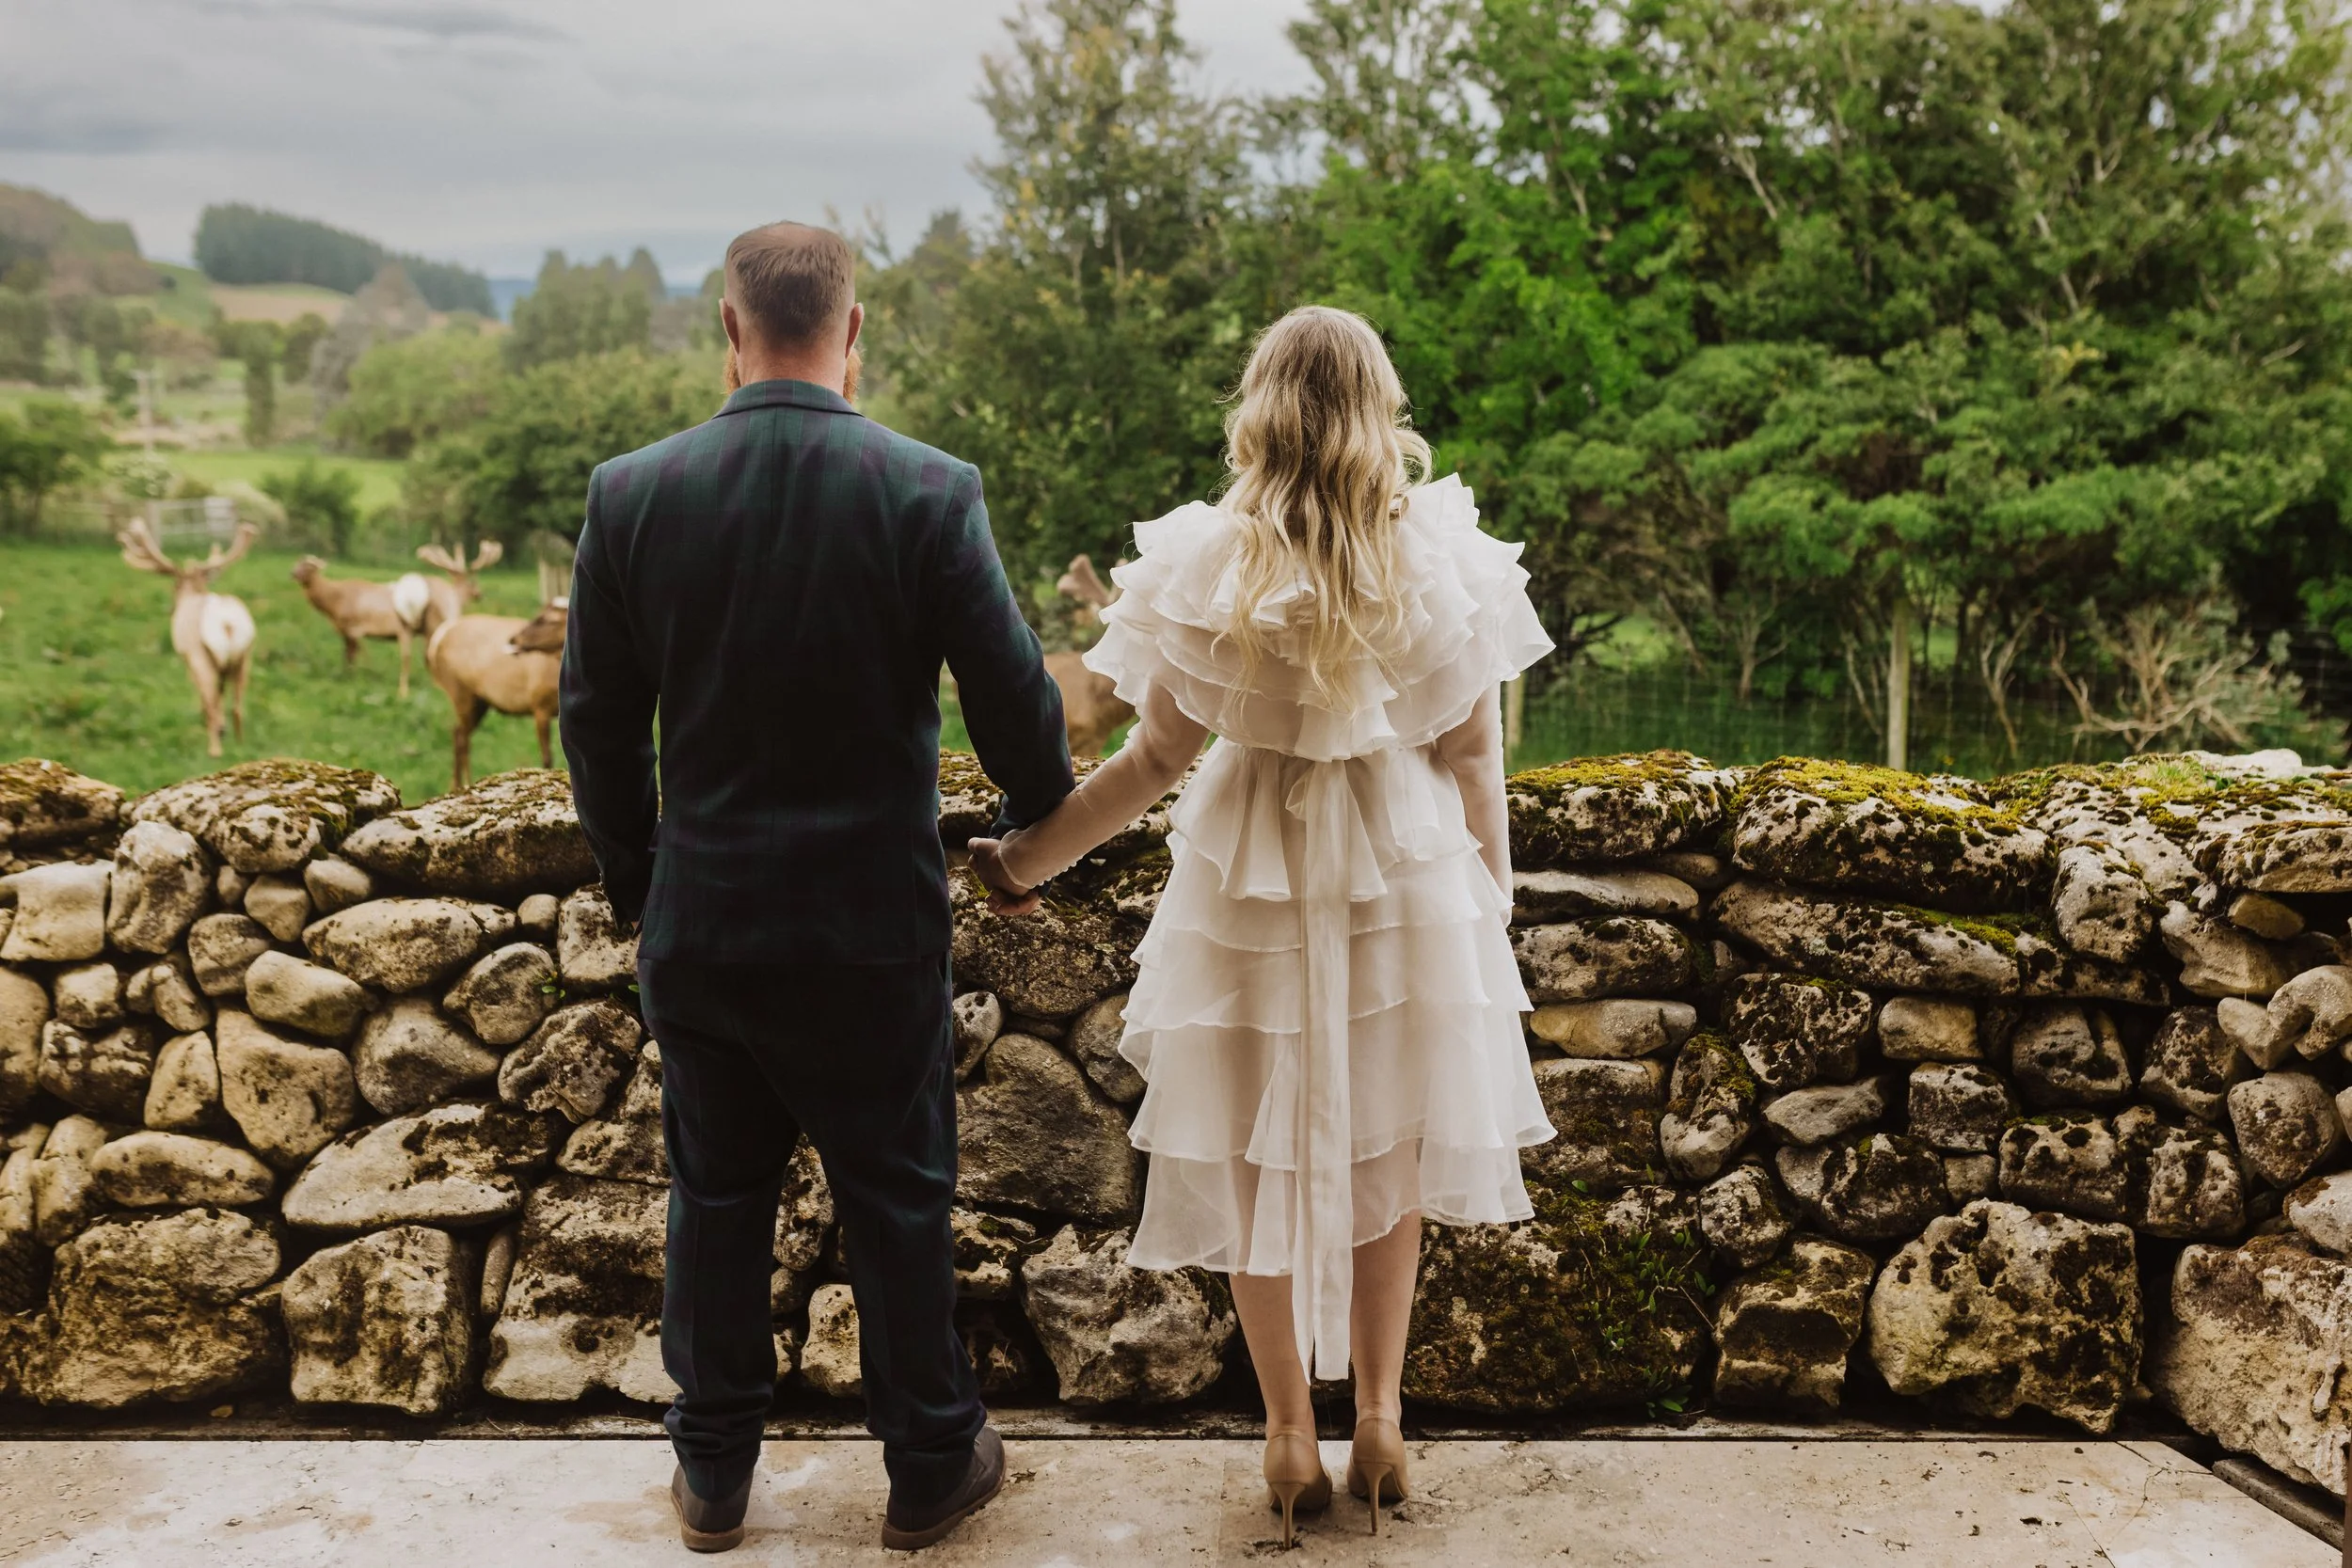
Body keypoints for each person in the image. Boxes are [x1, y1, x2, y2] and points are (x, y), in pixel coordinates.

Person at [968, 305, 1555, 1544]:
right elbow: (1472, 756)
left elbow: (1148, 764)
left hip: (1248, 883)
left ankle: (1290, 1433)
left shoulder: (1210, 562)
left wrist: (1026, 857)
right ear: (1376, 408)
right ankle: (1383, 1420)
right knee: (1389, 1152)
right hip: (1405, 879)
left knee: (1251, 1153)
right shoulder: (1436, 559)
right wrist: (1491, 905)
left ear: (1262, 409)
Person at [560, 220, 1073, 1554]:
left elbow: (596, 726)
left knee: (716, 1197)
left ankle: (717, 1471)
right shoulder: (928, 488)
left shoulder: (632, 493)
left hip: (707, 921)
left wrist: (640, 884)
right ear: (854, 333)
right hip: (870, 931)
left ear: (728, 330)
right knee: (898, 1192)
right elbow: (1017, 703)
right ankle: (927, 1464)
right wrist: (1022, 824)